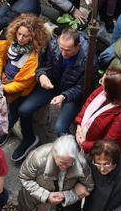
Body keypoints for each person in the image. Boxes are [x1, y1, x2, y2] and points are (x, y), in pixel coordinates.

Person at [14, 29, 87, 158]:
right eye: (61, 48)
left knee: (60, 128)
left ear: (78, 46)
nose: (63, 53)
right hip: (53, 84)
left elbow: (82, 87)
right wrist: (41, 75)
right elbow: (42, 67)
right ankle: (29, 138)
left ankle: (72, 153)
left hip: (70, 93)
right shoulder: (53, 46)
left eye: (68, 50)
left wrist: (64, 96)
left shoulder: (88, 60)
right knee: (24, 110)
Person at [17, 135, 92, 211]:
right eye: (61, 163)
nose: (64, 167)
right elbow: (24, 178)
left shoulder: (81, 163)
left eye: (69, 164)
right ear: (54, 155)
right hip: (39, 203)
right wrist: (45, 196)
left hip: (64, 206)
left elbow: (88, 186)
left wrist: (67, 196)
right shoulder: (37, 157)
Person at [74, 69, 121, 163]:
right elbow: (88, 104)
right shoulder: (105, 90)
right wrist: (79, 124)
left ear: (112, 92)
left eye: (102, 81)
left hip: (104, 152)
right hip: (90, 140)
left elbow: (109, 142)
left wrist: (84, 144)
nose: (100, 82)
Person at [0, 13, 47, 132]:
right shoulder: (10, 40)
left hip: (18, 88)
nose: (20, 38)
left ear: (33, 37)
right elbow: (0, 57)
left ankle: (5, 131)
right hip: (4, 79)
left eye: (25, 36)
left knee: (13, 111)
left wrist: (3, 87)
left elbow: (24, 83)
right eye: (19, 34)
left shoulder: (34, 55)